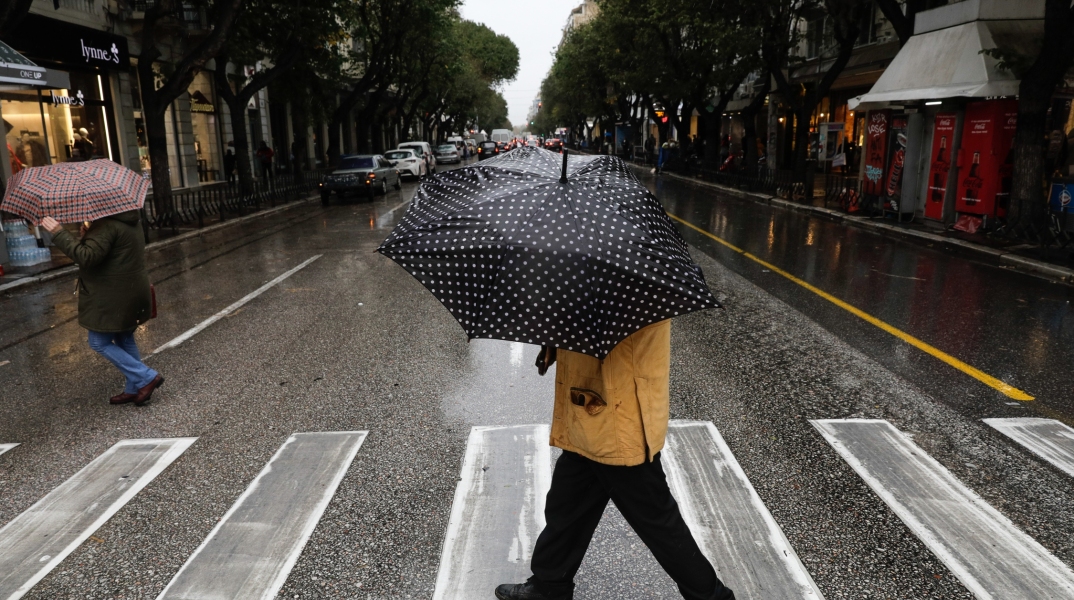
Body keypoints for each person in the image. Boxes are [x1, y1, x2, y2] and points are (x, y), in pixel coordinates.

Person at [496, 321, 735, 600]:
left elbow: (606, 334)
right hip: (592, 410)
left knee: (657, 519)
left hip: (618, 417)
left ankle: (713, 597)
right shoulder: (602, 281)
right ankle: (549, 584)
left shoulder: (627, 285)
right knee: (567, 504)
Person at [39, 211, 164, 406]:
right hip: (131, 290)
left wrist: (58, 232)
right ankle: (134, 387)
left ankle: (146, 377)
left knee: (98, 341)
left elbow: (86, 257)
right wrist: (88, 237)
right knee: (124, 337)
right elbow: (109, 252)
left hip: (113, 295)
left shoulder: (106, 225)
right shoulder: (129, 219)